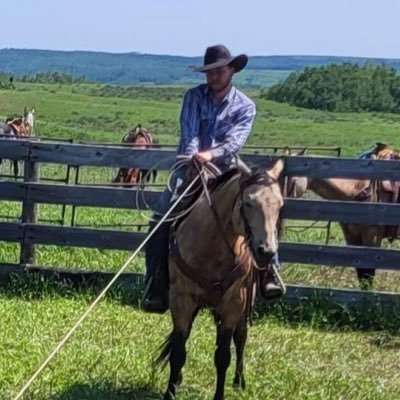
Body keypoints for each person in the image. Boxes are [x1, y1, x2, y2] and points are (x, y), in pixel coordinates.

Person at [142, 44, 281, 313]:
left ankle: (271, 272)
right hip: (190, 167)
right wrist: (195, 157)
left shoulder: (245, 106)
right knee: (161, 217)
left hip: (228, 170)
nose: (213, 76)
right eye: (210, 72)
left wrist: (210, 154)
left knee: (263, 208)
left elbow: (234, 143)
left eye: (219, 71)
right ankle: (155, 282)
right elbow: (189, 133)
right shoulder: (193, 97)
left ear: (231, 71)